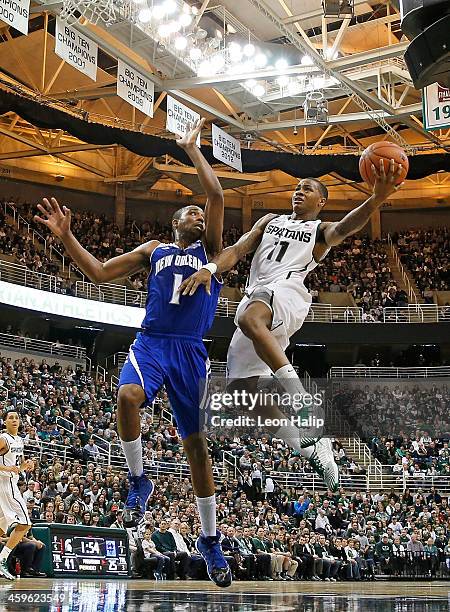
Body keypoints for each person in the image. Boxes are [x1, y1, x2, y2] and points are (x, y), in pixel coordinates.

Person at [34, 120, 231, 588]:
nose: (198, 216)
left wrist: (192, 151)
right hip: (152, 342)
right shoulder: (154, 249)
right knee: (125, 397)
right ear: (173, 222)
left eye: (199, 215)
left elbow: (218, 197)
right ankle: (140, 480)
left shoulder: (212, 251)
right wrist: (65, 236)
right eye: (190, 212)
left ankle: (209, 538)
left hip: (191, 352)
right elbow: (100, 273)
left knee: (197, 449)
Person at [180, 160, 404, 491]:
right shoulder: (270, 221)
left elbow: (344, 228)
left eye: (308, 189)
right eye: (298, 187)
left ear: (321, 202)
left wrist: (377, 199)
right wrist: (211, 269)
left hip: (288, 292)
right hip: (257, 294)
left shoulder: (319, 230)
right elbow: (239, 249)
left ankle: (301, 400)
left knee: (248, 318)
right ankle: (313, 447)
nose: (300, 192)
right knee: (241, 394)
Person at [0, 410, 35, 580]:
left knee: (1, 529)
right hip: (6, 484)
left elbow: (17, 465)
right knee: (25, 523)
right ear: (5, 422)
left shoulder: (19, 440)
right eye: (10, 418)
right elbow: (8, 467)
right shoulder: (3, 438)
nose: (14, 420)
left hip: (10, 483)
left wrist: (26, 465)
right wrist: (7, 469)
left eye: (16, 418)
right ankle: (2, 560)